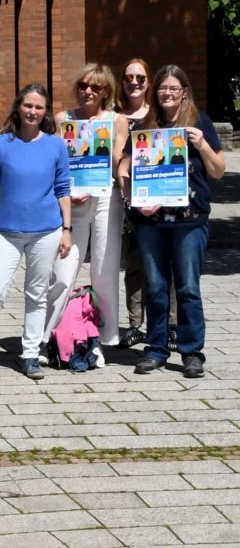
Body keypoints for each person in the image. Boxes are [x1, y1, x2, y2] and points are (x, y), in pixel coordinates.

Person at [118, 65, 225, 379]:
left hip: (189, 221)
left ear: (184, 92)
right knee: (155, 287)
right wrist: (135, 200)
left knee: (188, 288)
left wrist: (203, 144)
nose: (167, 93)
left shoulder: (199, 122)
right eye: (163, 88)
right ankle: (156, 349)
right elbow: (123, 169)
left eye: (173, 88)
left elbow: (218, 170)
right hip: (151, 221)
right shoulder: (146, 125)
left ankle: (192, 352)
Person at [0, 84, 71, 381]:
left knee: (37, 295)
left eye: (39, 107)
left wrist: (67, 229)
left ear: (45, 112)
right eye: (28, 105)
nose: (33, 112)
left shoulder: (56, 145)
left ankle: (30, 354)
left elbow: (63, 189)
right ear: (18, 107)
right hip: (4, 230)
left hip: (46, 230)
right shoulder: (2, 144)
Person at [45, 64, 125, 359]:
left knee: (105, 271)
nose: (88, 91)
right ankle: (47, 336)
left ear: (106, 92)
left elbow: (118, 165)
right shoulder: (63, 119)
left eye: (96, 87)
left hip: (106, 197)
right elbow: (56, 162)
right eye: (83, 85)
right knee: (63, 272)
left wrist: (107, 145)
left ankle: (101, 339)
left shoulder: (118, 120)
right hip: (72, 201)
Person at [114, 57, 168, 349]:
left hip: (162, 200)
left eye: (140, 78)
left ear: (149, 81)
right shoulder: (115, 116)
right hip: (127, 199)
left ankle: (169, 325)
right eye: (128, 77)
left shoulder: (160, 115)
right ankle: (135, 325)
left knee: (164, 265)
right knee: (134, 265)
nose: (134, 82)